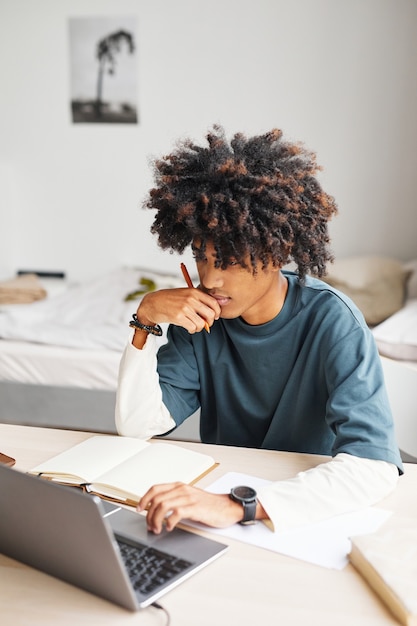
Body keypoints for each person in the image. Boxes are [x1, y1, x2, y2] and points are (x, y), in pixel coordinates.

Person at [116, 125, 402, 535]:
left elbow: (374, 466)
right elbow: (138, 425)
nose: (210, 278)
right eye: (201, 256)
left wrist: (238, 506)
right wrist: (146, 319)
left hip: (299, 512)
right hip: (218, 506)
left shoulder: (333, 321)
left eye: (229, 259)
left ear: (276, 253)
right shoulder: (200, 317)